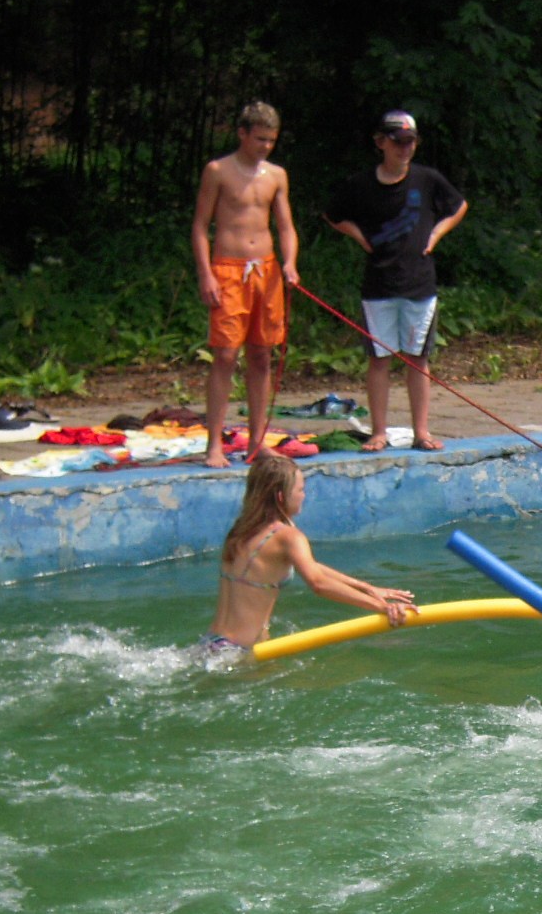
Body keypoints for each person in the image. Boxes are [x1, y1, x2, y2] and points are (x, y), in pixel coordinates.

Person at [322, 110, 468, 453]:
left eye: (410, 142)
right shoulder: (362, 184)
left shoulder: (427, 179)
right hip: (379, 284)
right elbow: (332, 215)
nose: (405, 148)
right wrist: (360, 237)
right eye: (398, 142)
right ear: (381, 143)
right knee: (380, 359)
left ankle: (421, 431)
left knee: (417, 359)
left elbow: (459, 206)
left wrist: (436, 234)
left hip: (419, 284)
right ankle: (378, 431)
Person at [201, 455, 418, 663]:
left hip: (214, 644)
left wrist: (367, 588)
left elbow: (311, 567)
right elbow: (318, 583)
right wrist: (382, 608)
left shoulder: (241, 530)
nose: (304, 495)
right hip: (240, 653)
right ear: (281, 496)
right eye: (300, 490)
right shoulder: (288, 537)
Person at [191, 101, 301, 468]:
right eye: (260, 139)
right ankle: (214, 444)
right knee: (225, 356)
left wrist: (289, 262)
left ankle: (257, 441)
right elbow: (200, 226)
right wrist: (206, 273)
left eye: (271, 140)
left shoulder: (276, 175)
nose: (266, 146)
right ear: (242, 134)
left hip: (266, 270)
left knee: (261, 355)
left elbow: (285, 226)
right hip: (228, 268)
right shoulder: (218, 171)